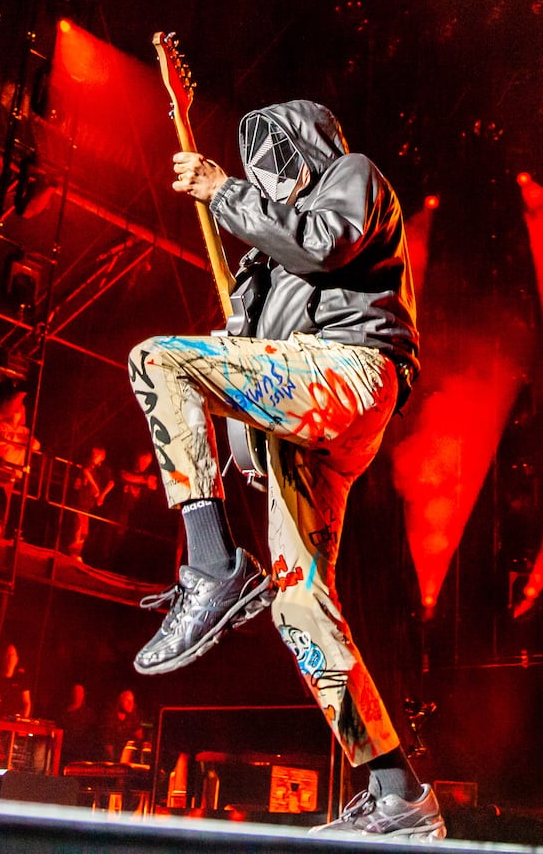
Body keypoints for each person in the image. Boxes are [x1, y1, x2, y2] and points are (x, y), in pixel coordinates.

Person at [128, 100, 438, 840]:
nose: (271, 178)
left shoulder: (353, 176)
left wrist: (222, 191)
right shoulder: (266, 261)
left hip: (351, 368)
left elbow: (326, 246)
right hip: (309, 412)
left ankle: (210, 565)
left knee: (156, 358)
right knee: (300, 606)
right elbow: (252, 369)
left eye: (278, 163)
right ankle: (399, 792)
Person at [0, 643, 31, 720]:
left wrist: (23, 720)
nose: (10, 658)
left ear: (17, 659)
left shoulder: (22, 678)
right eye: (8, 655)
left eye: (12, 655)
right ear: (3, 658)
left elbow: (26, 702)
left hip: (15, 720)